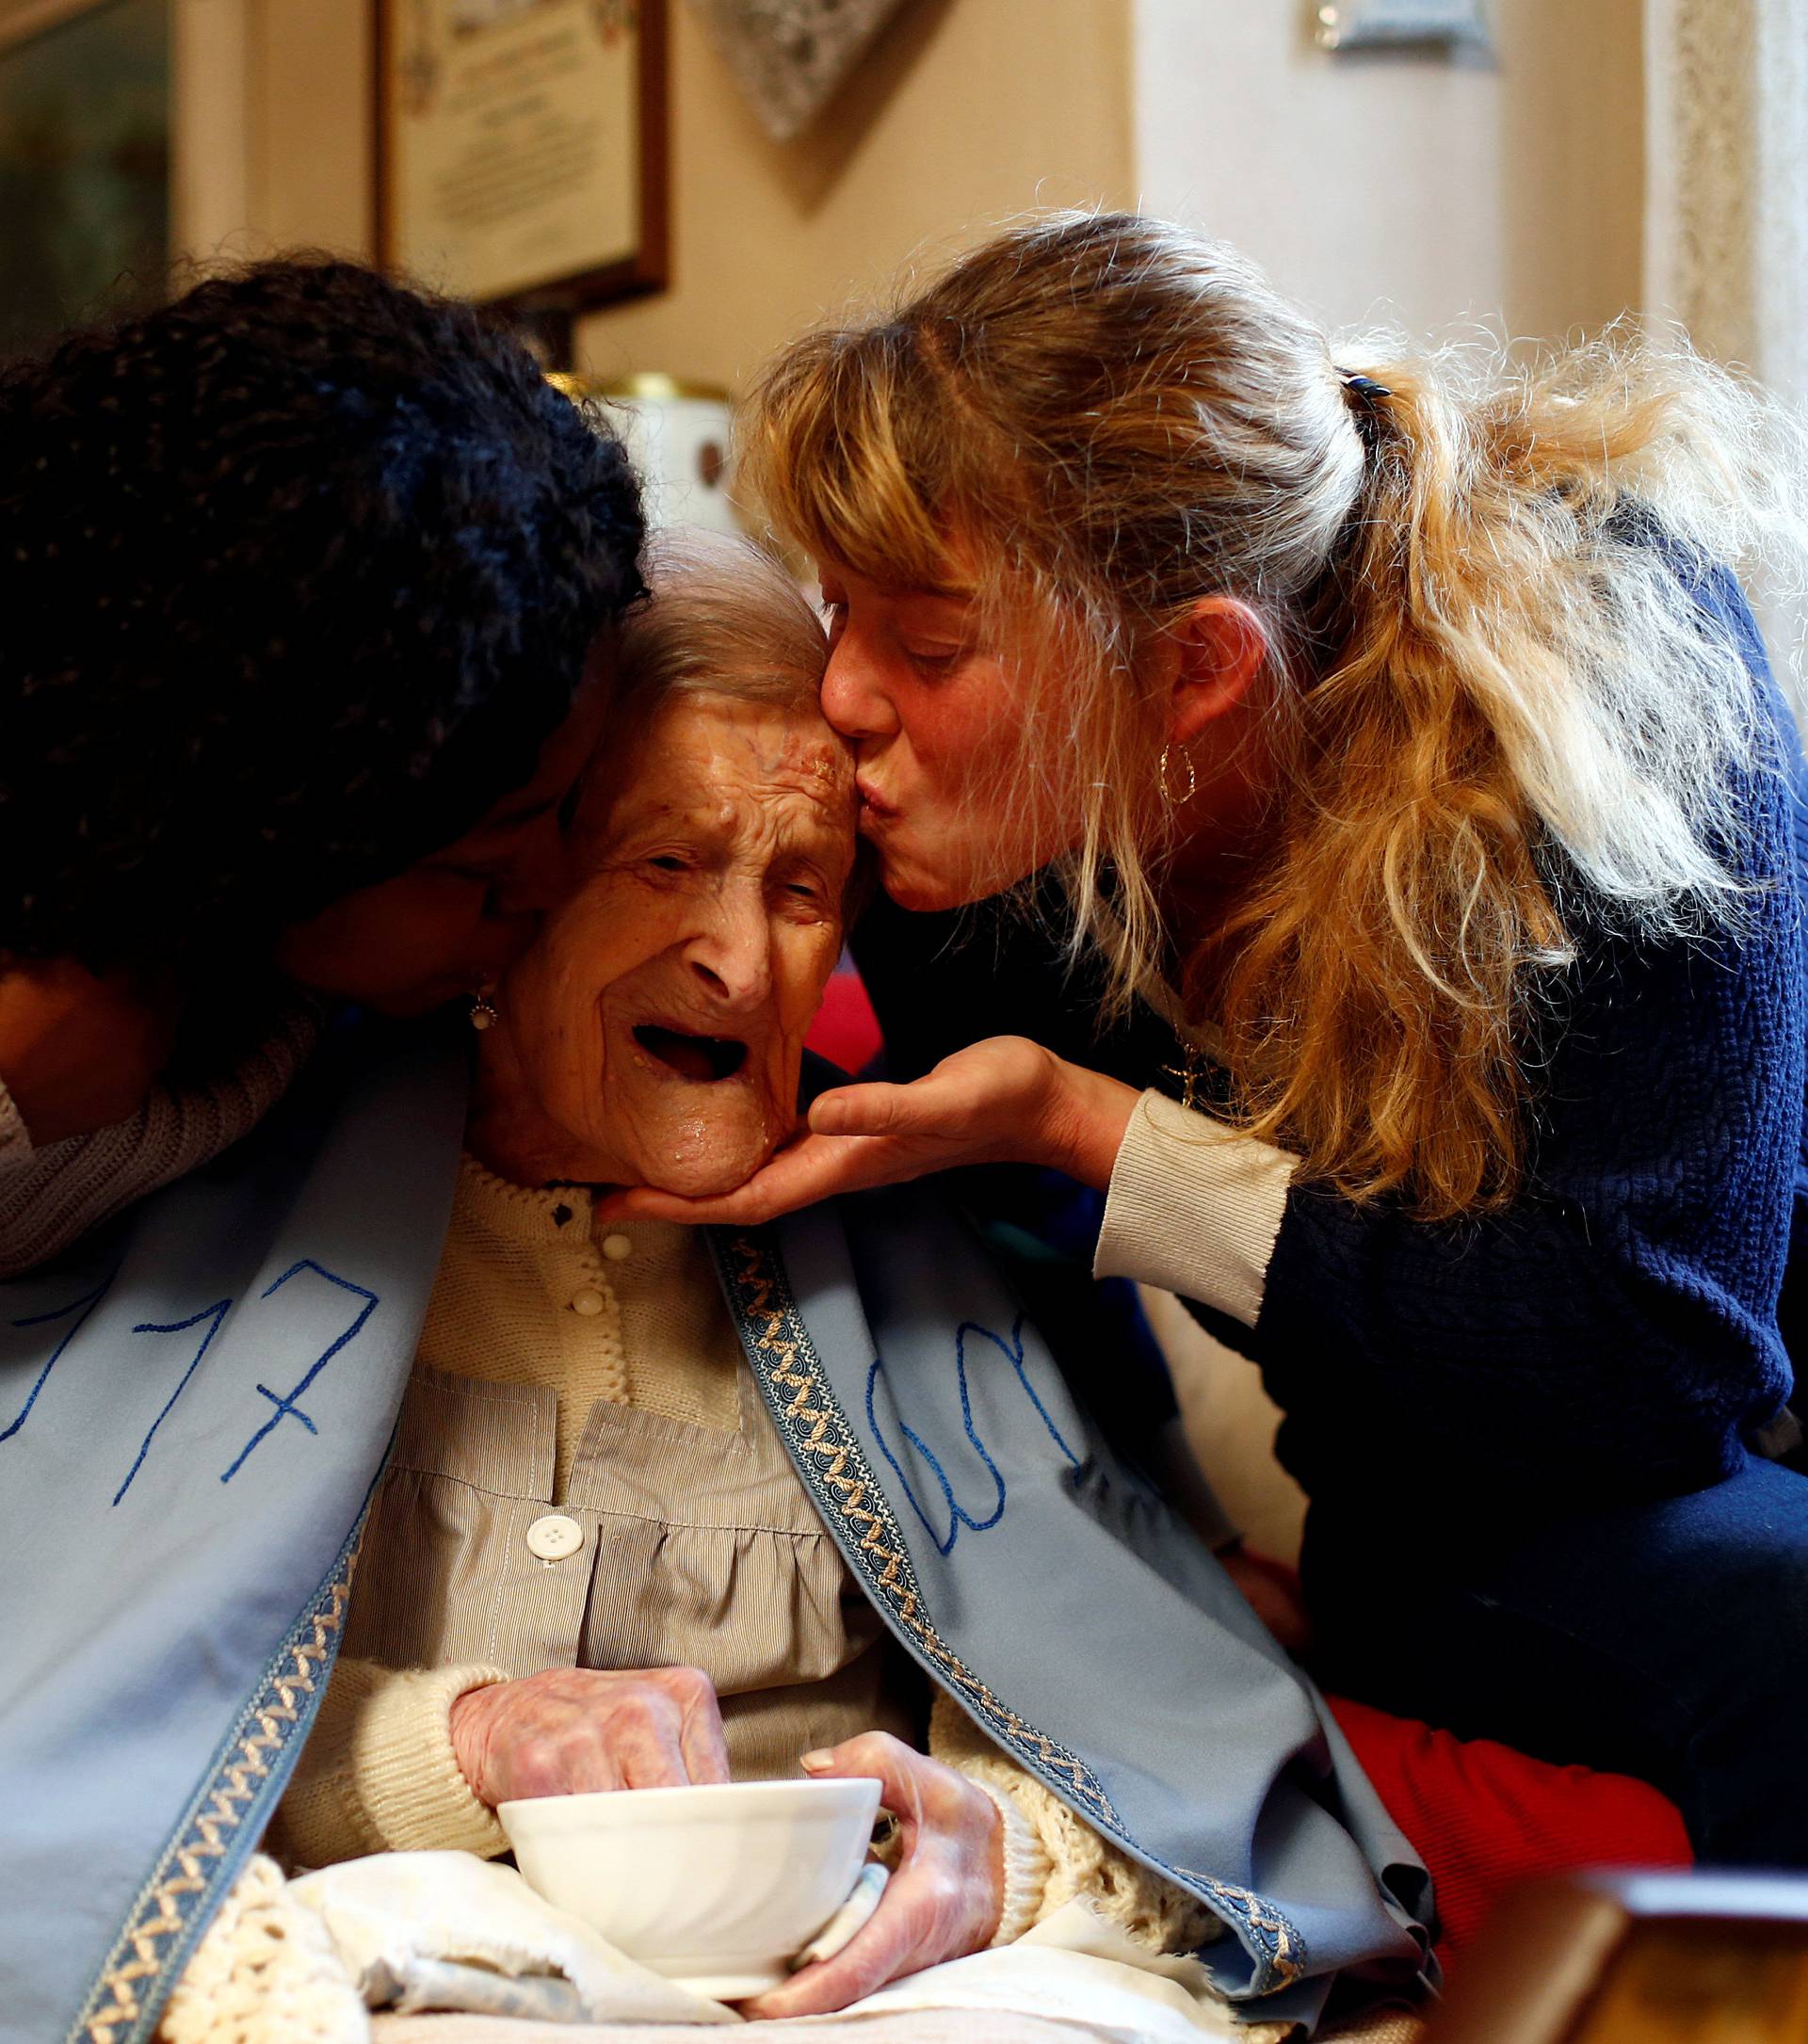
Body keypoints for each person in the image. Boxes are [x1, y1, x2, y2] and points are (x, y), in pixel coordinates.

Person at [610, 213, 1808, 1868]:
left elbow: (1656, 1375)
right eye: (839, 611)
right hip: (1464, 1498)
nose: (847, 699)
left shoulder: (1616, 670)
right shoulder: (970, 856)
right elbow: (1017, 1261)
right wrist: (1169, 1540)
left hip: (1657, 1384)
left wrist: (1115, 1139)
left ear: (1194, 674)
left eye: (931, 645)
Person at [140, 533, 1429, 2041]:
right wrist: (465, 1736)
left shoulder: (921, 1256)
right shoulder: (250, 1213)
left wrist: (991, 1850)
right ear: (515, 891)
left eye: (803, 887)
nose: (744, 964)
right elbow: (96, 1710)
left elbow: (1154, 1747)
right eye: (667, 862)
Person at [0, 257, 644, 1278]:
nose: (556, 887)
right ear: (268, 827)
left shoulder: (258, 986)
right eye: (481, 867)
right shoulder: (52, 1034)